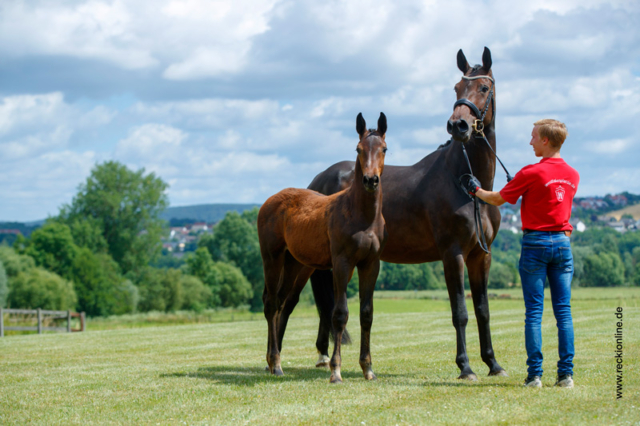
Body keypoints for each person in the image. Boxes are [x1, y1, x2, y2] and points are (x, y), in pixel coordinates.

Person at [464, 119, 579, 389]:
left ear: (546, 141)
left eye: (533, 137)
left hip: (536, 244)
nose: (530, 142)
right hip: (563, 244)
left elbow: (497, 198)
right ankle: (565, 376)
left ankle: (535, 376)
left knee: (534, 313)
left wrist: (474, 189)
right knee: (563, 312)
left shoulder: (530, 172)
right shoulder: (573, 174)